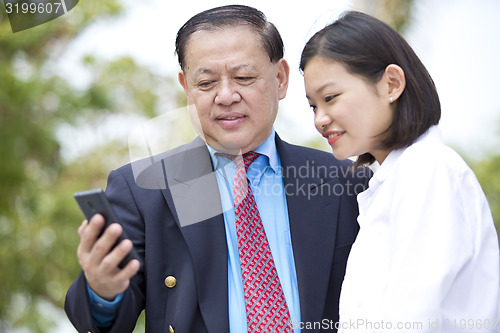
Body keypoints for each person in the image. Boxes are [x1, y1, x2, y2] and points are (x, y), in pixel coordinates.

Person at [64, 5, 371, 333]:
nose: (226, 96)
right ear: (186, 87)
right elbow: (100, 323)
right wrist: (102, 290)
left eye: (244, 77)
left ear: (280, 79)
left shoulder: (346, 181)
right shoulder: (144, 189)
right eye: (207, 82)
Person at [300, 11, 500, 333]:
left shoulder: (426, 170)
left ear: (391, 84)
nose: (319, 119)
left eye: (330, 98)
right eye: (313, 105)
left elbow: (409, 321)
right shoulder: (396, 178)